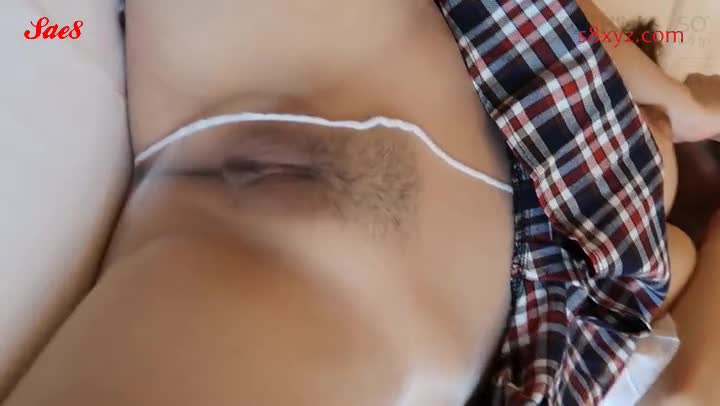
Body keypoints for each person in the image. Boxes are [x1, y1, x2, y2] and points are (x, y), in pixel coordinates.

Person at [3, 0, 719, 405]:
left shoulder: (636, 274)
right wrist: (677, 102)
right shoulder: (630, 243)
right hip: (273, 244)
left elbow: (685, 384)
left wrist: (674, 104)